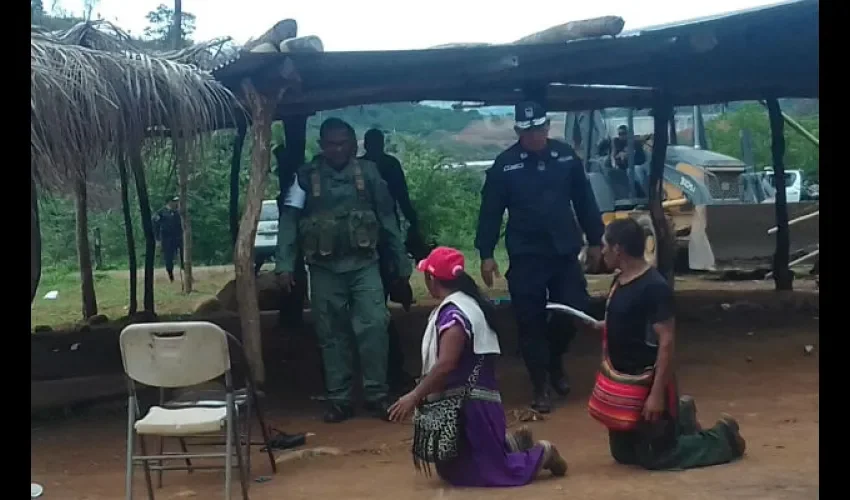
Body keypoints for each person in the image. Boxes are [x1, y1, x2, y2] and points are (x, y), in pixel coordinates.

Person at [388, 246, 567, 486]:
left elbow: (446, 364)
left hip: (471, 408)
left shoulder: (455, 314)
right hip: (469, 404)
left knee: (486, 474)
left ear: (431, 279)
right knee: (453, 471)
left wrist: (414, 395)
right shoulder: (466, 305)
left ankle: (542, 453)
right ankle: (508, 445)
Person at [274, 118, 411, 423]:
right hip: (323, 268)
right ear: (321, 145)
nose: (336, 149)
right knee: (331, 332)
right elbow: (289, 220)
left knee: (374, 324)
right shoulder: (306, 177)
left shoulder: (370, 174)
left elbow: (388, 218)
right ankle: (340, 399)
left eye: (342, 143)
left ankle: (376, 394)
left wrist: (400, 262)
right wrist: (284, 263)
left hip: (364, 264)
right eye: (330, 143)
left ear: (353, 144)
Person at [475, 101, 605, 413]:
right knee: (529, 320)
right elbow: (490, 211)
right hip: (526, 254)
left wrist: (597, 239)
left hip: (563, 252)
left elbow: (584, 200)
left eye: (540, 129)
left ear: (548, 127)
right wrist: (486, 253)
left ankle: (555, 361)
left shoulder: (565, 157)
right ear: (519, 131)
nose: (535, 135)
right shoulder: (505, 165)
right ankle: (540, 385)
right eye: (528, 130)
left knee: (575, 312)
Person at [590, 218, 746, 470]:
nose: (603, 251)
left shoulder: (654, 287)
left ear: (619, 248)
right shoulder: (619, 282)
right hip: (624, 385)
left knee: (658, 456)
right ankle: (682, 415)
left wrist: (656, 395)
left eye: (605, 245)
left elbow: (666, 341)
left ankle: (724, 438)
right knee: (624, 453)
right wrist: (606, 325)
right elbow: (627, 319)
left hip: (647, 382)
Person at [360, 128, 420, 396]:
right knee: (374, 310)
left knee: (377, 306)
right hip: (369, 243)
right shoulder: (368, 167)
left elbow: (400, 199)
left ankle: (388, 368)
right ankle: (384, 369)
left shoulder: (378, 166)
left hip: (384, 237)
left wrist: (412, 224)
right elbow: (402, 200)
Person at [153, 196, 183, 282]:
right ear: (169, 202)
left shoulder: (177, 213)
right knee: (168, 257)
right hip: (167, 239)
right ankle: (171, 275)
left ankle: (185, 270)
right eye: (174, 201)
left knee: (182, 252)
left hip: (177, 237)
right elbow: (155, 225)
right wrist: (157, 238)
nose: (176, 203)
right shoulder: (161, 213)